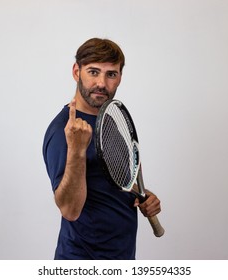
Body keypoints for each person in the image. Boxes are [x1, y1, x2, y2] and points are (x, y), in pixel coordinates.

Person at [42, 38, 161, 260]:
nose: (102, 84)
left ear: (120, 78)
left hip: (120, 256)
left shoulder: (109, 120)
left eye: (111, 74)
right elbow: (69, 209)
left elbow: (113, 178)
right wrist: (77, 150)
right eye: (93, 72)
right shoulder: (63, 130)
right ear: (77, 72)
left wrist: (141, 194)